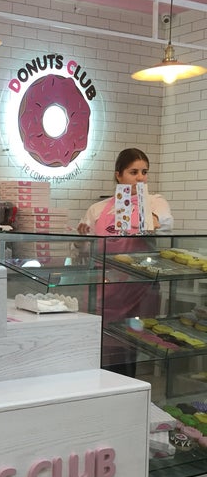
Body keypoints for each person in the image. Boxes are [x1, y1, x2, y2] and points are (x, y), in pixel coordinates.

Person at [76, 148, 174, 377]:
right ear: (118, 175)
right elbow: (84, 250)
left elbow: (164, 224)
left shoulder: (155, 202)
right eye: (133, 172)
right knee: (101, 349)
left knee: (130, 349)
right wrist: (81, 240)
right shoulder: (98, 209)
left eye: (144, 172)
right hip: (105, 290)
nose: (140, 178)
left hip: (138, 292)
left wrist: (151, 218)